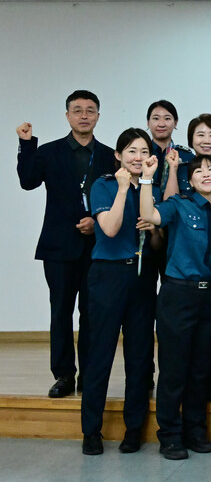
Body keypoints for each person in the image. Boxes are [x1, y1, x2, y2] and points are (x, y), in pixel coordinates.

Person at [16, 90, 116, 398]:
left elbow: (117, 202)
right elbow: (28, 180)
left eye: (90, 110)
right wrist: (26, 145)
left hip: (97, 248)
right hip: (58, 247)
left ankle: (89, 374)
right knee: (60, 312)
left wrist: (96, 224)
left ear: (98, 116)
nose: (84, 115)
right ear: (67, 115)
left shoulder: (110, 156)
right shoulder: (48, 152)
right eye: (77, 110)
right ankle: (63, 375)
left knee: (92, 313)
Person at [139, 153, 211, 460]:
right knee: (174, 369)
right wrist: (147, 178)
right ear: (189, 181)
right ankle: (169, 435)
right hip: (179, 294)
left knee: (202, 369)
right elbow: (150, 215)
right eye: (199, 171)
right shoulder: (179, 205)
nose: (206, 173)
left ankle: (195, 430)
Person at [79, 128, 160, 455]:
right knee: (99, 354)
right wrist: (124, 188)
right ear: (118, 155)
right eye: (131, 151)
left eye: (143, 151)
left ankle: (133, 429)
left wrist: (154, 229)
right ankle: (91, 431)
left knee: (140, 358)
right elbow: (110, 229)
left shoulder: (150, 188)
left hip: (141, 277)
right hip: (107, 275)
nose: (137, 157)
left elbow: (157, 243)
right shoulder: (104, 185)